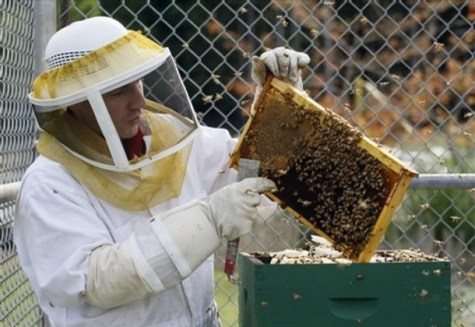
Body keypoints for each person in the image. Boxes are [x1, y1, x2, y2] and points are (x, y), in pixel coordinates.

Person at [13, 16, 310, 327]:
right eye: (118, 90)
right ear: (76, 101)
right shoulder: (50, 184)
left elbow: (258, 172)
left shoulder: (172, 140)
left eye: (137, 80)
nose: (139, 100)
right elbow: (97, 280)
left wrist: (282, 105)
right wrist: (208, 219)